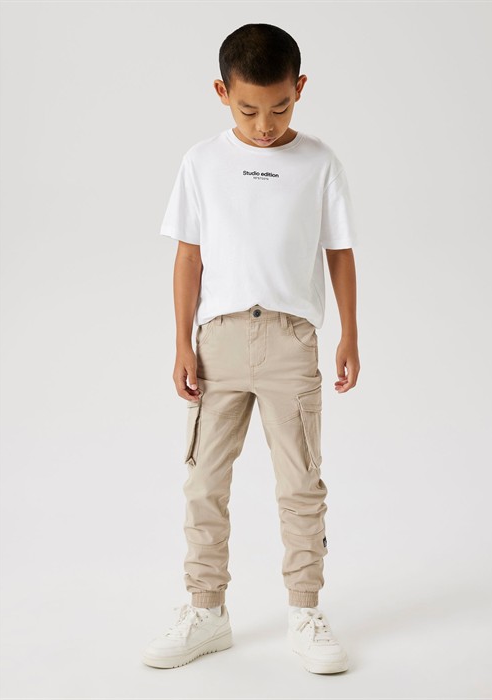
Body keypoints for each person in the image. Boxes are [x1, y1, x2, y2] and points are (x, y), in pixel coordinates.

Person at [142, 23, 359, 675]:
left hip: (292, 340)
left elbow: (339, 252)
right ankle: (206, 611)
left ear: (300, 89)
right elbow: (188, 257)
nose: (264, 126)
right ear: (222, 93)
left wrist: (349, 332)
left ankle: (305, 611)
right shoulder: (201, 162)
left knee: (301, 483)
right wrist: (181, 342)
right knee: (204, 481)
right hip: (219, 340)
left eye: (279, 108)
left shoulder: (320, 163)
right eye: (247, 111)